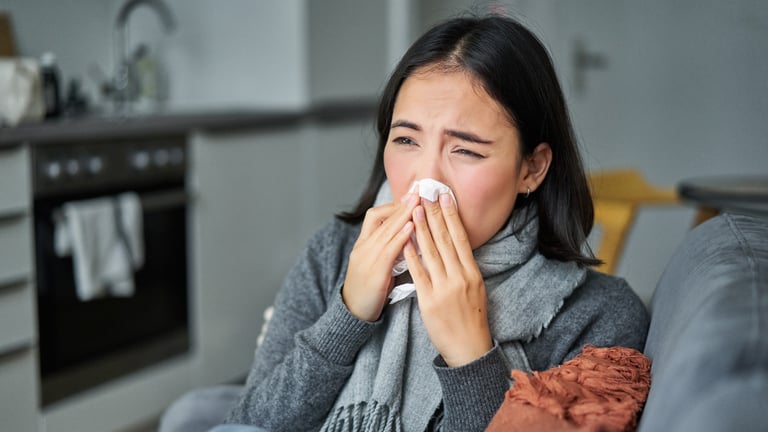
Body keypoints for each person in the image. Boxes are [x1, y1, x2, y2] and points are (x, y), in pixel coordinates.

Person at [186, 13, 649, 432]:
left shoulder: (600, 317)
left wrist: (471, 356)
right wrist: (348, 315)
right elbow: (250, 423)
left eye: (465, 149)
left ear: (532, 168)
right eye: (406, 139)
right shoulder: (335, 252)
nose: (426, 180)